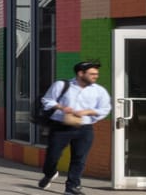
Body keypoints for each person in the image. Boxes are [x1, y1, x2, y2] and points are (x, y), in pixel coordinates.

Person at [37, 60, 112, 194]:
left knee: (79, 158)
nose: (96, 76)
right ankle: (50, 173)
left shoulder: (99, 91)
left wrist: (87, 111)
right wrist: (62, 107)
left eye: (96, 74)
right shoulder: (61, 85)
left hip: (84, 128)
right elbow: (47, 100)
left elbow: (105, 109)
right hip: (60, 127)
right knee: (52, 156)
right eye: (92, 74)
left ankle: (72, 186)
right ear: (80, 73)